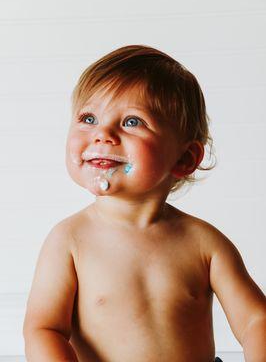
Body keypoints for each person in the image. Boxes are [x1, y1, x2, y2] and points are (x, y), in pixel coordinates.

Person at [23, 45, 266, 361]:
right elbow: (43, 329)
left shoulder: (204, 243)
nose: (102, 134)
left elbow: (255, 319)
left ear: (184, 158)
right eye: (88, 117)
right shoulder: (70, 240)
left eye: (132, 122)